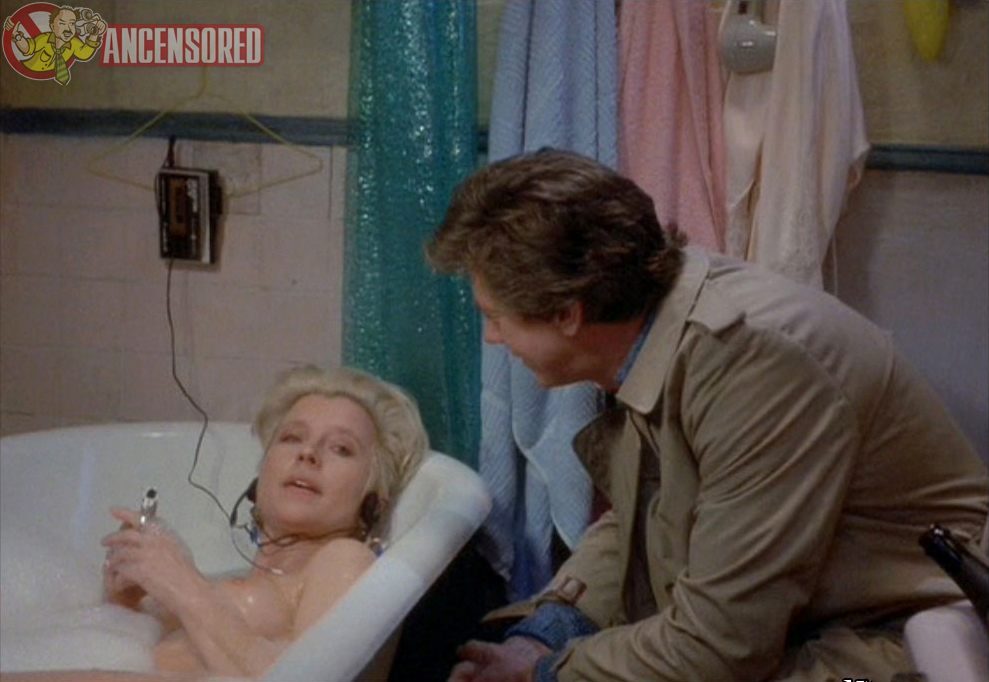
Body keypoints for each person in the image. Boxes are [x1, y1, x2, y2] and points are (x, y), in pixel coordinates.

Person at [426, 149, 989, 682]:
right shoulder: (653, 324)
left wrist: (546, 671)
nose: (493, 338)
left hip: (917, 633)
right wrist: (546, 633)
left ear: (567, 314)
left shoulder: (750, 366)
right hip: (816, 617)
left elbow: (721, 647)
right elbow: (642, 520)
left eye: (495, 316)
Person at [0, 365, 427, 682]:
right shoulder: (240, 580)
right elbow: (134, 649)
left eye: (341, 448)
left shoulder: (343, 559)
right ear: (260, 472)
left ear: (373, 498)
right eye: (291, 437)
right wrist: (125, 602)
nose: (307, 454)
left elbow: (309, 676)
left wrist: (179, 581)